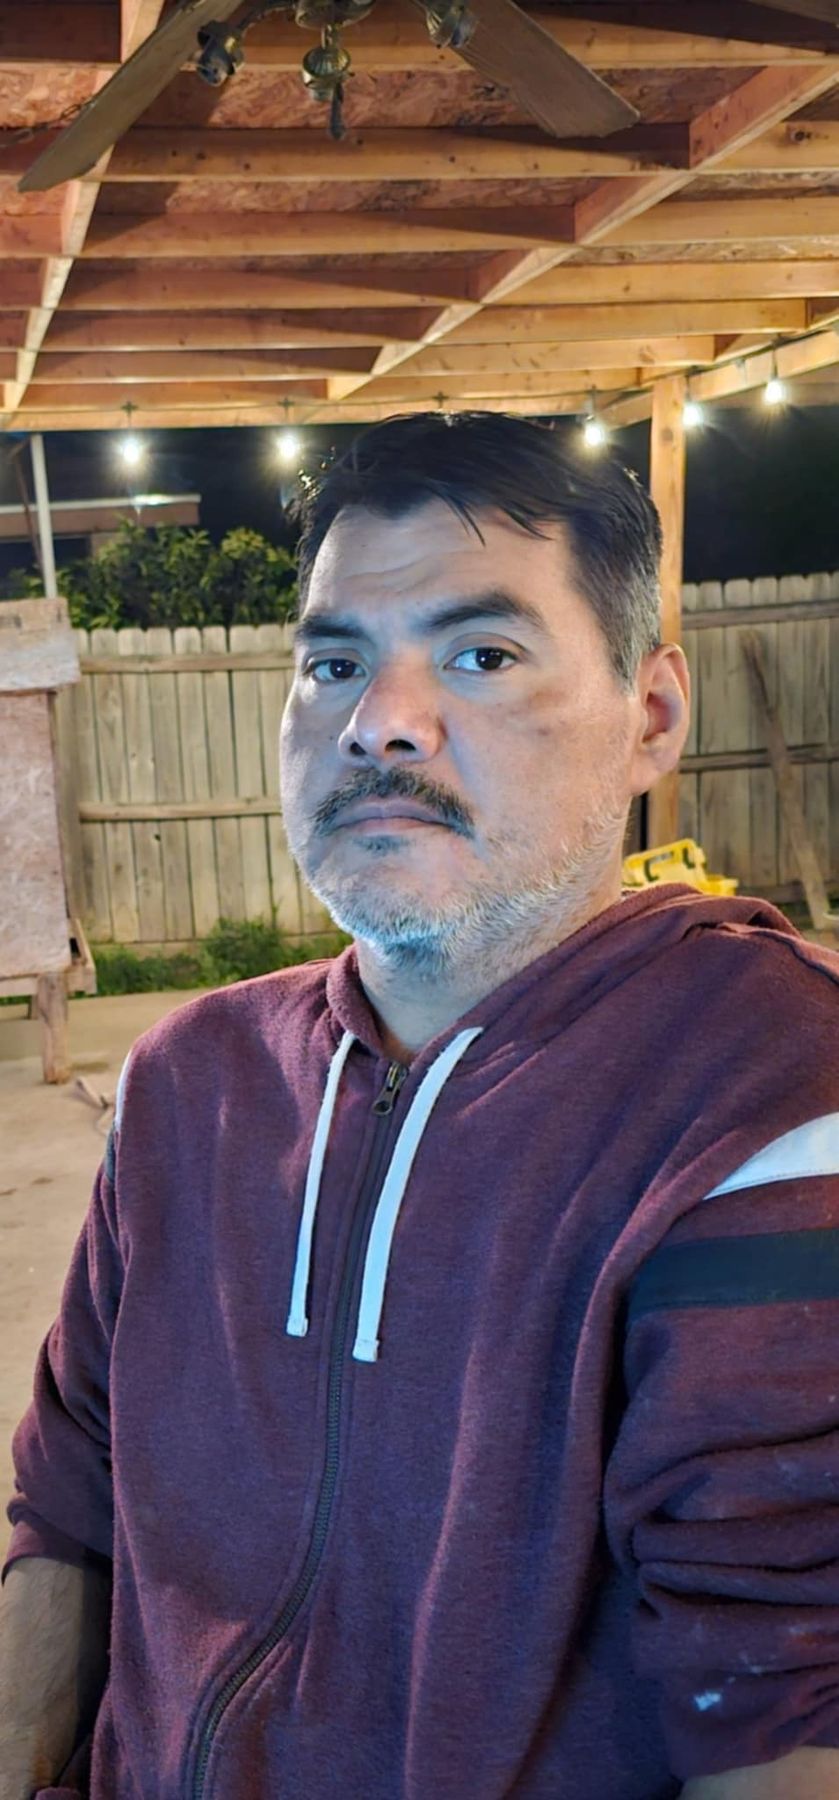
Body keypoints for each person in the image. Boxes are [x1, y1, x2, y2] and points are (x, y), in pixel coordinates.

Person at [1, 412, 838, 1800]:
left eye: (482, 655)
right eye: (334, 663)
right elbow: (69, 1504)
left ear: (652, 716)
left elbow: (784, 1695)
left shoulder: (768, 1093)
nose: (379, 721)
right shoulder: (186, 1083)